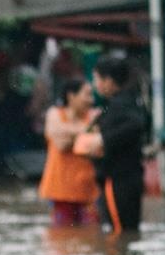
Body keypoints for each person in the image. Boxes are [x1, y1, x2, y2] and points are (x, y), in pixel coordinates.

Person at [76, 54, 149, 233]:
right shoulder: (125, 101)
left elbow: (136, 124)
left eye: (96, 79)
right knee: (126, 230)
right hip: (126, 177)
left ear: (108, 81)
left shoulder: (121, 104)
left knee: (119, 232)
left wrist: (103, 140)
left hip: (118, 179)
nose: (95, 84)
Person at [37, 79, 100, 227]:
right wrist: (86, 132)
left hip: (89, 190)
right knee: (62, 238)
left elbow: (95, 145)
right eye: (87, 95)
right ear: (71, 96)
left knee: (91, 236)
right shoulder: (54, 113)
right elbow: (60, 144)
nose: (91, 100)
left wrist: (68, 132)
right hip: (60, 190)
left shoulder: (94, 116)